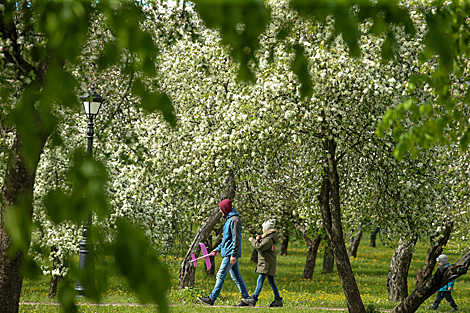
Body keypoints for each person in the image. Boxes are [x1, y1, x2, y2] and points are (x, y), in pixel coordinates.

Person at [197, 199, 254, 306]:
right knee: (236, 277)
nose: (220, 211)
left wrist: (234, 254)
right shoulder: (229, 220)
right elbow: (226, 240)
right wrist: (218, 249)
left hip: (230, 254)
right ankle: (246, 298)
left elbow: (236, 239)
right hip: (228, 252)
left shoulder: (234, 220)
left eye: (221, 209)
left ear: (226, 209)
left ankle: (211, 298)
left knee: (220, 275)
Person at [242, 219, 283, 307]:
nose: (262, 230)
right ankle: (278, 300)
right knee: (271, 281)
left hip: (266, 263)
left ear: (267, 230)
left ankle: (254, 298)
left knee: (260, 280)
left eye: (263, 229)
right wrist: (259, 239)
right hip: (269, 262)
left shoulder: (268, 239)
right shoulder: (269, 238)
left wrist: (252, 240)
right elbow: (262, 244)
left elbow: (259, 247)